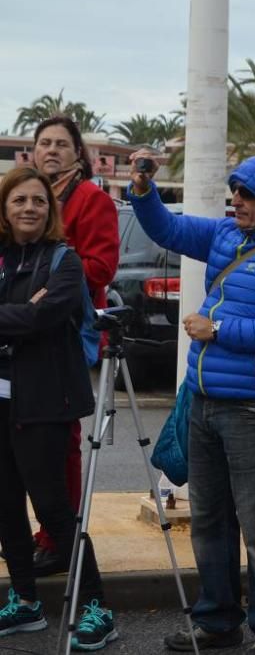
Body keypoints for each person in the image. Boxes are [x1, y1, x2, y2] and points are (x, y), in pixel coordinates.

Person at [128, 153, 255, 654]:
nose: (236, 201)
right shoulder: (224, 234)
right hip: (206, 401)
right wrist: (145, 192)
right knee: (210, 518)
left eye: (248, 194)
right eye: (235, 192)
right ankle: (217, 620)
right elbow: (168, 229)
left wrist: (215, 329)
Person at [0, 167, 115, 650]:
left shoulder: (64, 261)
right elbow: (28, 317)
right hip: (2, 400)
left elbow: (45, 316)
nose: (30, 208)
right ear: (5, 209)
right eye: (19, 200)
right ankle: (25, 600)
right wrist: (23, 316)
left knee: (54, 510)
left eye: (39, 201)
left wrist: (25, 316)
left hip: (46, 402)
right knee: (5, 508)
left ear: (51, 210)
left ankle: (96, 608)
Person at [30, 116, 119, 577]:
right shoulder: (29, 196)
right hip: (25, 332)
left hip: (66, 333)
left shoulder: (92, 199)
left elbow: (101, 268)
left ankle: (61, 539)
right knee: (28, 441)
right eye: (44, 143)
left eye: (61, 144)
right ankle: (48, 529)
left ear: (77, 152)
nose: (51, 150)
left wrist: (47, 278)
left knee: (62, 442)